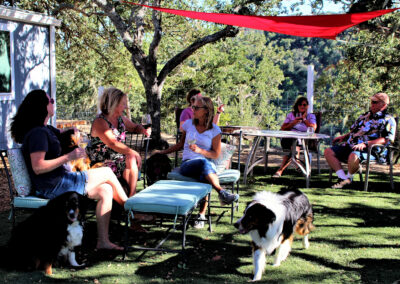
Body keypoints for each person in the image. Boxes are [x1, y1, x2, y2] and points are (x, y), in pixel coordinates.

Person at [10, 89, 128, 251]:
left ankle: (103, 241)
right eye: (49, 100)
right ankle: (132, 209)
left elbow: (60, 133)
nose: (53, 101)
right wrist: (69, 156)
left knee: (106, 190)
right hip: (55, 186)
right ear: (42, 107)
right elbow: (38, 167)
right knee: (107, 172)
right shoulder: (37, 134)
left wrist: (72, 131)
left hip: (61, 181)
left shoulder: (46, 129)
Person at [157, 96, 239, 228]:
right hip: (188, 164)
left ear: (206, 110)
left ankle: (201, 216)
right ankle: (220, 193)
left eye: (196, 107)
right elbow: (180, 144)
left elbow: (216, 154)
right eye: (193, 106)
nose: (192, 109)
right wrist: (162, 152)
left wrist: (200, 151)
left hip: (206, 165)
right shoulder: (189, 124)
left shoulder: (215, 130)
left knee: (205, 171)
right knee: (204, 165)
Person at [86, 87, 151, 198]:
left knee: (130, 158)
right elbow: (112, 143)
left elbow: (135, 127)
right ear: (114, 104)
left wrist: (143, 130)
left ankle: (131, 199)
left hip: (118, 160)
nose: (125, 107)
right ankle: (129, 203)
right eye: (123, 104)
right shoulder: (100, 121)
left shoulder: (120, 119)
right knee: (131, 157)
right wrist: (134, 152)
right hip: (101, 163)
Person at [324, 92, 396, 189]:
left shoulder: (388, 119)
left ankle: (349, 179)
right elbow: (356, 131)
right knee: (328, 151)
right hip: (351, 146)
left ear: (383, 105)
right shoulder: (364, 116)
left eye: (374, 102)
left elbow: (387, 139)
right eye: (371, 101)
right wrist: (344, 136)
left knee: (353, 155)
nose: (372, 104)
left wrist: (366, 144)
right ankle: (343, 178)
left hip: (372, 151)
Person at [273, 97, 317, 178]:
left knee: (292, 150)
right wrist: (293, 123)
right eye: (300, 104)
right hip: (288, 138)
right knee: (292, 148)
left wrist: (304, 120)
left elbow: (313, 128)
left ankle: (280, 171)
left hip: (302, 140)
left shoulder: (311, 116)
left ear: (307, 106)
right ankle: (299, 165)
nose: (302, 106)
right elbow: (283, 128)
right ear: (297, 106)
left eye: (304, 105)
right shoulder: (291, 115)